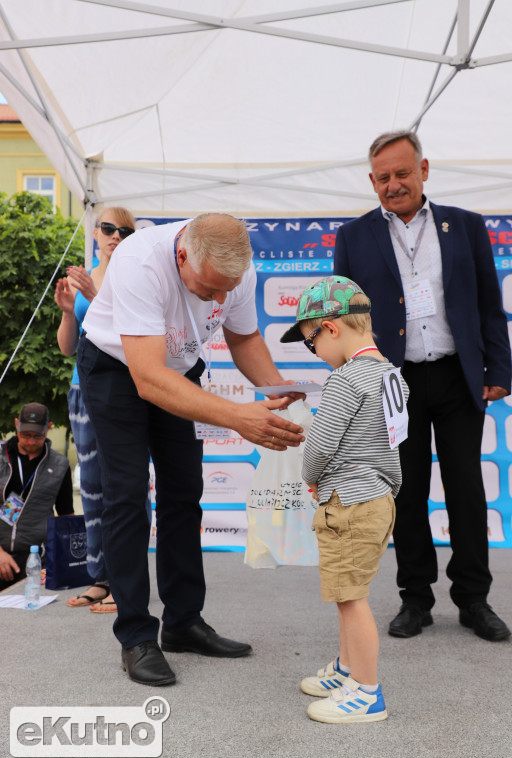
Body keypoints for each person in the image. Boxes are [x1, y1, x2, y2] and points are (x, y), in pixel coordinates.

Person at [77, 212, 305, 686]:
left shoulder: (232, 269)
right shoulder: (139, 261)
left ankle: (182, 623)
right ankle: (137, 637)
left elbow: (243, 336)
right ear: (182, 256)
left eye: (229, 289)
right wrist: (239, 417)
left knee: (184, 493)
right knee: (127, 495)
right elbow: (147, 377)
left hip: (178, 369)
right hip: (118, 367)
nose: (220, 300)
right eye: (211, 288)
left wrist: (272, 387)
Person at [334, 130, 511, 642]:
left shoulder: (467, 227)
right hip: (393, 384)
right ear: (372, 181)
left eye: (402, 173)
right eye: (383, 177)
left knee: (466, 490)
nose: (394, 185)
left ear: (424, 170)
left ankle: (474, 599)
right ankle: (416, 599)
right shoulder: (354, 237)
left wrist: (498, 371)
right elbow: (343, 319)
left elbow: (487, 305)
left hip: (458, 377)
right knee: (404, 495)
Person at [280, 275, 408, 723]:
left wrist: (311, 478)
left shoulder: (345, 381)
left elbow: (319, 447)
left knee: (351, 597)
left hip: (349, 502)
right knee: (347, 591)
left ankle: (367, 692)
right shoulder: (392, 374)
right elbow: (392, 443)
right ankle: (348, 668)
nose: (313, 352)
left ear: (332, 328)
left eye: (311, 341)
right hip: (378, 498)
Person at [54, 206, 136, 614]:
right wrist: (70, 310)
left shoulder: (134, 277)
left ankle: (126, 586)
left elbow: (130, 331)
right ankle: (101, 578)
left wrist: (93, 295)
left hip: (121, 390)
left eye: (125, 230)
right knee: (91, 487)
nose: (116, 235)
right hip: (81, 389)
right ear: (95, 232)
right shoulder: (84, 275)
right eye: (108, 228)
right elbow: (67, 347)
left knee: (124, 487)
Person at [0, 403, 74, 591]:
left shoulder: (60, 465)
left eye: (38, 436)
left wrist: (68, 559)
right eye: (25, 435)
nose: (31, 442)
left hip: (36, 558)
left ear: (48, 428)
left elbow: (66, 515)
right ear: (16, 424)